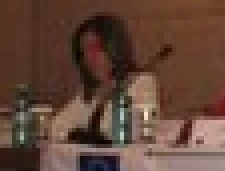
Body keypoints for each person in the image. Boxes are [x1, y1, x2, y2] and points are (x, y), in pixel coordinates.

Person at [50, 13, 158, 143]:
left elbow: (123, 133)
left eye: (95, 48)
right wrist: (83, 135)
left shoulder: (143, 82)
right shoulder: (91, 91)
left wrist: (80, 134)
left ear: (115, 47)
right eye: (83, 52)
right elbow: (55, 127)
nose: (88, 58)